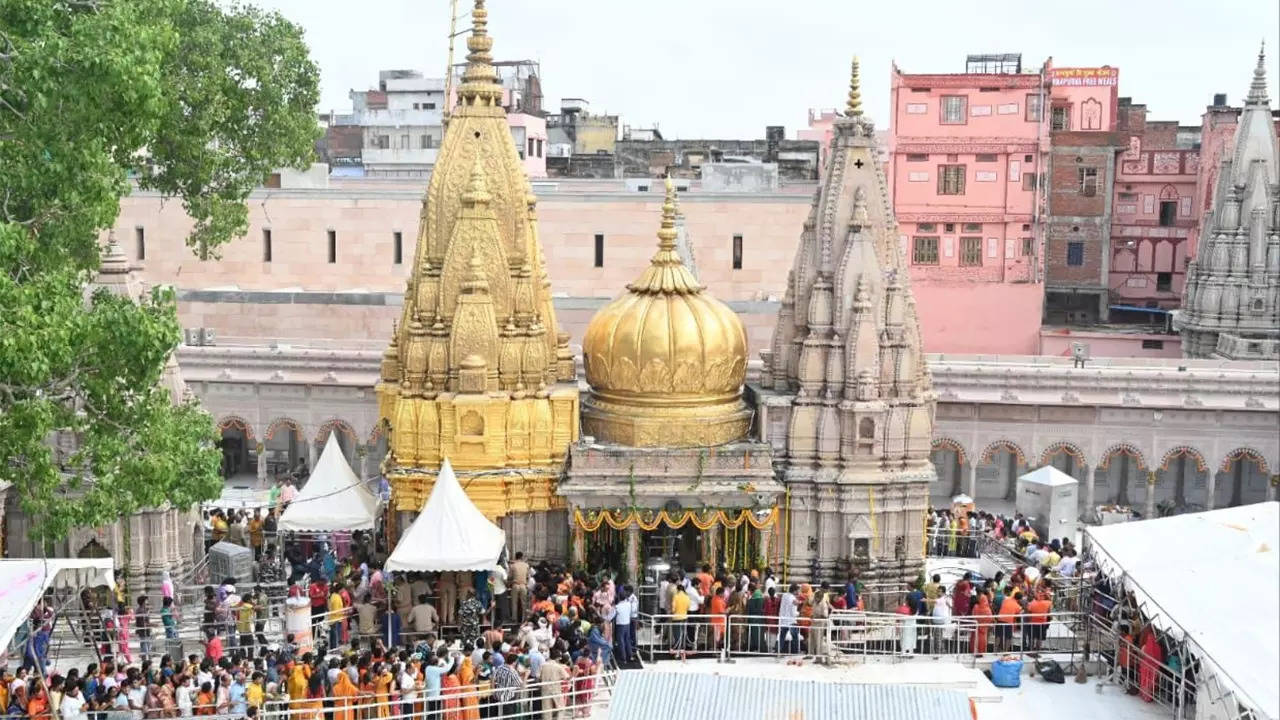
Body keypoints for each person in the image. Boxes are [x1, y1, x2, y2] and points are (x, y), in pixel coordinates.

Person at [614, 586, 637, 665]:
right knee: (627, 640)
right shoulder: (628, 604)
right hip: (627, 623)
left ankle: (623, 658)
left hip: (620, 625)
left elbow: (611, 616)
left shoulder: (617, 607)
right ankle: (630, 655)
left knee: (621, 641)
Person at [508, 553, 531, 624]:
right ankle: (523, 619)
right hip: (523, 585)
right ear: (522, 557)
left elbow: (509, 577)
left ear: (515, 557)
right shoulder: (526, 565)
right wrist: (526, 583)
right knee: (524, 603)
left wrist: (510, 582)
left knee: (514, 603)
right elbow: (528, 577)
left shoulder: (512, 566)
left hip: (515, 585)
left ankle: (514, 619)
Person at [778, 584, 800, 654]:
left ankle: (778, 650)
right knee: (795, 637)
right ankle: (795, 651)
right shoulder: (793, 599)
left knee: (782, 636)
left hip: (783, 619)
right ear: (794, 591)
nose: (799, 592)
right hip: (791, 620)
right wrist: (799, 614)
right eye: (798, 591)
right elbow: (793, 613)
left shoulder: (784, 595)